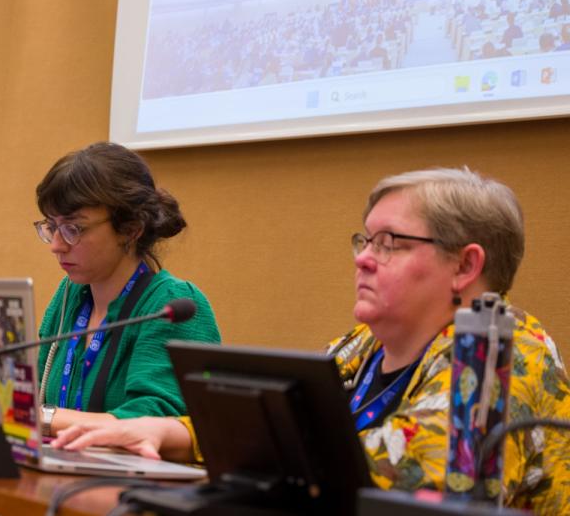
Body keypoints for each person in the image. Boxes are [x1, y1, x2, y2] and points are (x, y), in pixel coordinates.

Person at [52, 167, 570, 513]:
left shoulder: (506, 350)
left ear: (466, 265)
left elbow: (412, 478)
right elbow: (279, 422)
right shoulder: (362, 346)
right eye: (364, 240)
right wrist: (166, 432)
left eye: (389, 243)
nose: (363, 258)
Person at [25, 142, 220, 438]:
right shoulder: (70, 296)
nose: (56, 245)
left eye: (74, 229)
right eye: (52, 226)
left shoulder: (174, 305)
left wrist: (41, 417)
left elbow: (155, 418)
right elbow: (34, 393)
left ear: (131, 228)